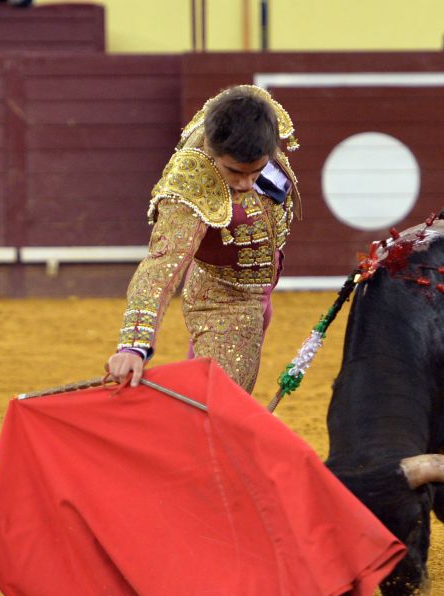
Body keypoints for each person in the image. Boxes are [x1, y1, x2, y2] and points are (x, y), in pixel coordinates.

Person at [106, 85, 301, 393]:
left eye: (256, 172)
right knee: (217, 401)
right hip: (223, 300)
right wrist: (133, 345)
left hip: (258, 290)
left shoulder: (257, 115)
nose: (246, 183)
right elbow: (160, 266)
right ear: (213, 149)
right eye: (234, 172)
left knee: (203, 391)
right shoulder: (190, 185)